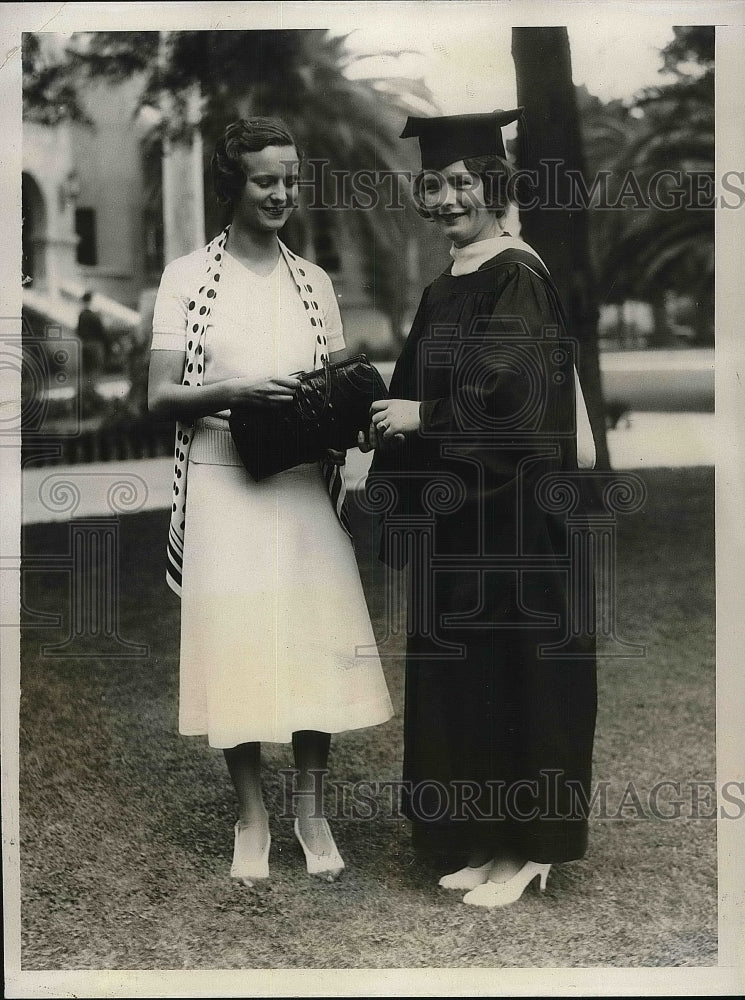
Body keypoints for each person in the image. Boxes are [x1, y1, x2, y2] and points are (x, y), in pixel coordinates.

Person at [148, 118, 393, 885]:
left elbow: (325, 394)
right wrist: (235, 392)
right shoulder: (188, 277)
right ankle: (251, 815)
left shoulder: (313, 284)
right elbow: (158, 396)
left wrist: (340, 425)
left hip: (296, 481)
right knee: (239, 641)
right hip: (225, 477)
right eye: (265, 179)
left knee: (316, 633)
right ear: (234, 185)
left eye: (290, 177)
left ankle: (310, 811)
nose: (282, 191)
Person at [362, 109, 597, 907]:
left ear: (496, 188)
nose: (445, 197)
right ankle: (483, 837)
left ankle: (530, 851)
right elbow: (409, 391)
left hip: (518, 524)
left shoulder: (515, 274)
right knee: (470, 679)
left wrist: (422, 417)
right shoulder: (449, 281)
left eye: (462, 182)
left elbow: (512, 393)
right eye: (433, 184)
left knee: (518, 675)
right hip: (462, 523)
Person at [77, 290, 107, 373]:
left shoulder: (82, 315)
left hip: (85, 343)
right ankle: (92, 385)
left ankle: (87, 385)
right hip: (95, 344)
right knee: (95, 368)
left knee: (87, 370)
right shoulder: (94, 315)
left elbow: (78, 331)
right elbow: (101, 330)